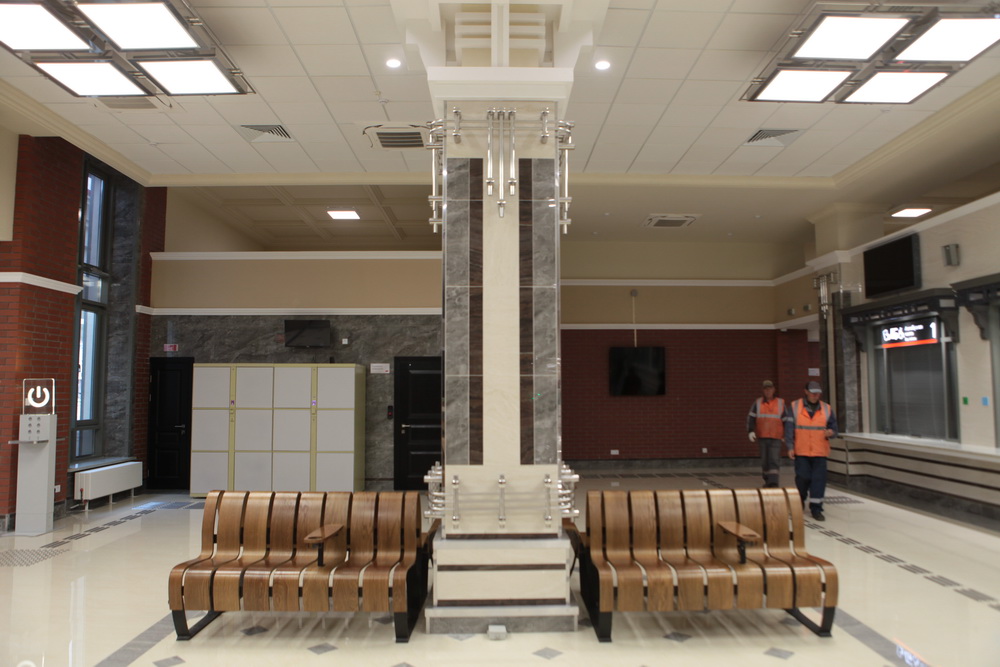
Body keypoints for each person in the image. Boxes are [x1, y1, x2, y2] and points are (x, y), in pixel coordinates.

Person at [786, 381, 839, 521]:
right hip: (801, 451)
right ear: (806, 392)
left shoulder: (826, 409)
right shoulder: (795, 407)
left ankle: (816, 508)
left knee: (818, 481)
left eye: (817, 393)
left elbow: (834, 428)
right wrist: (790, 446)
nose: (815, 395)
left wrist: (831, 432)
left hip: (820, 452)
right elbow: (789, 428)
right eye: (813, 392)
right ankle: (800, 499)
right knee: (803, 478)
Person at [746, 380, 791, 488]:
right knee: (765, 460)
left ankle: (773, 482)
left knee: (774, 459)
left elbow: (786, 420)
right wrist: (750, 431)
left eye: (770, 389)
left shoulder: (780, 403)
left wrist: (787, 434)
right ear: (763, 390)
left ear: (773, 390)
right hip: (762, 436)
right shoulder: (758, 403)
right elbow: (751, 417)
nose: (768, 391)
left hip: (776, 437)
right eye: (766, 389)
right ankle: (767, 480)